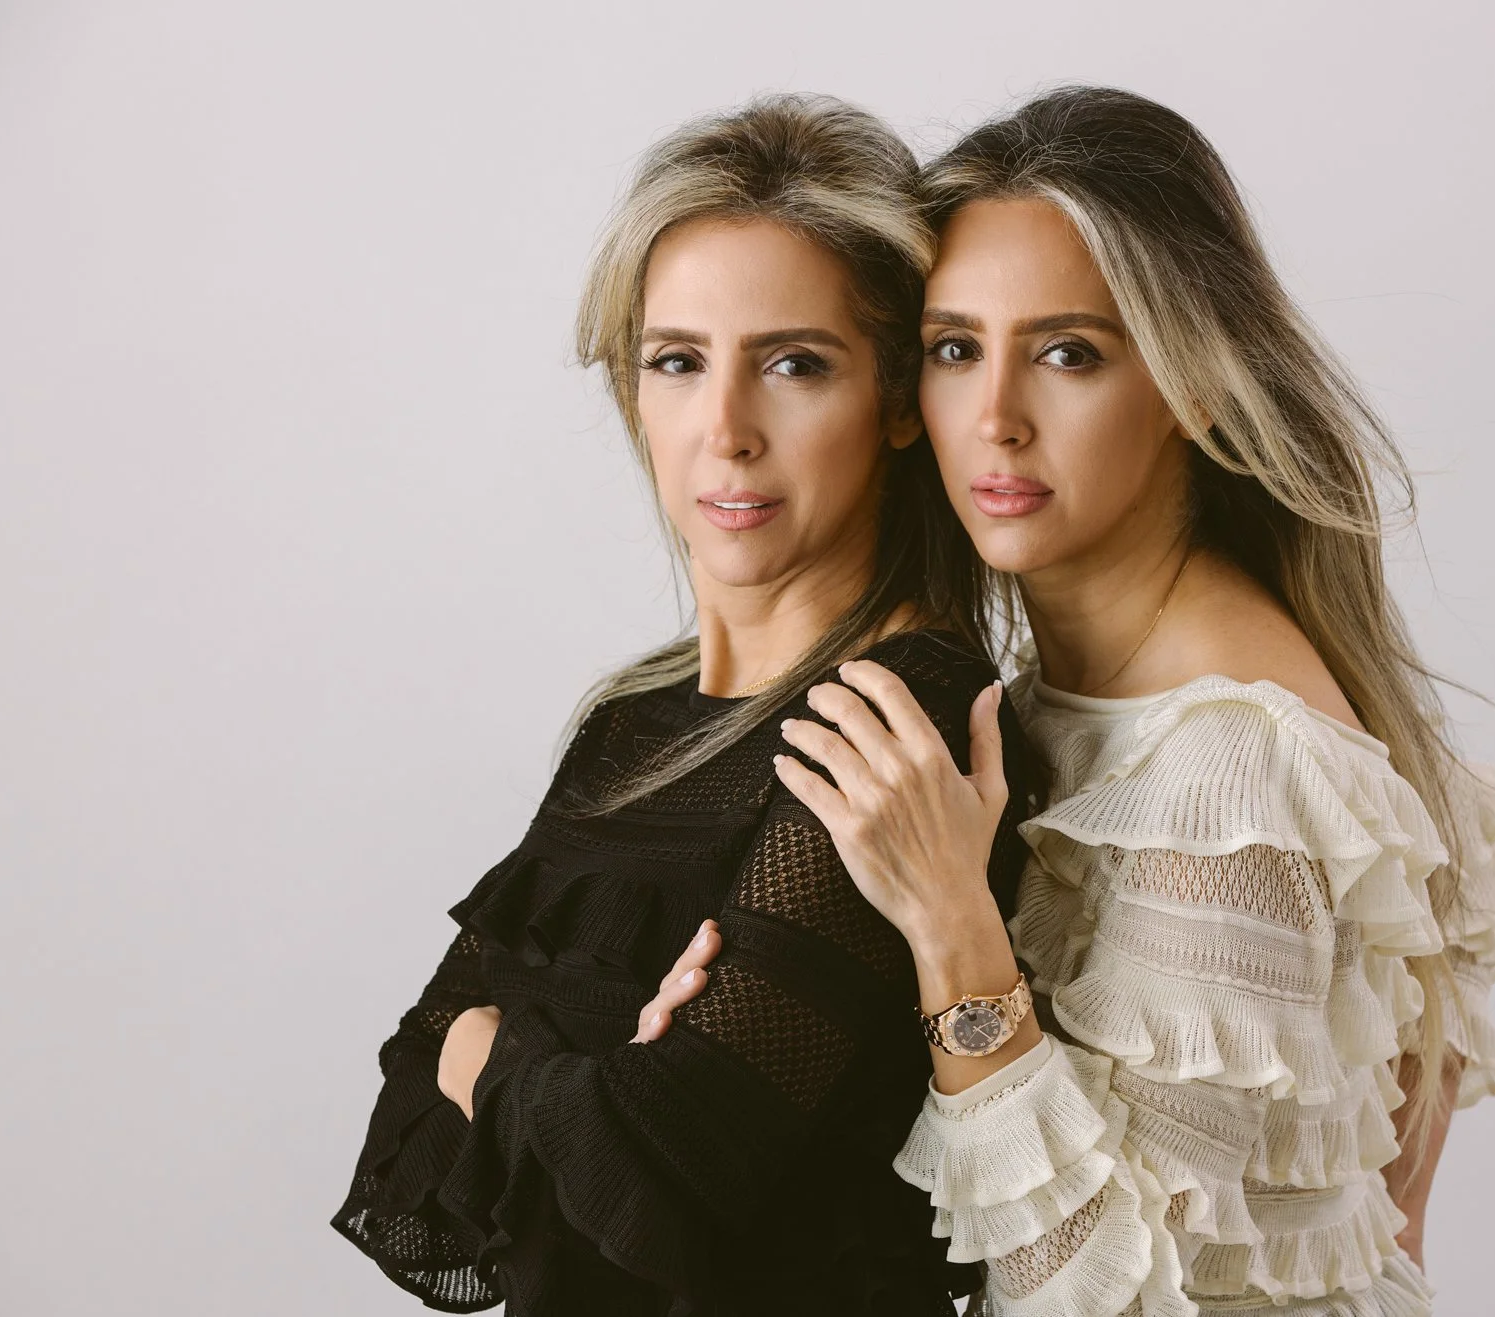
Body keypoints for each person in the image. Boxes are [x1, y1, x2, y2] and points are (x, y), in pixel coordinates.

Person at [646, 87, 1495, 1316]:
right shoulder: (1045, 705)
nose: (996, 418)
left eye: (1068, 352)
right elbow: (1385, 1228)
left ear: (1196, 382)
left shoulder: (1230, 773)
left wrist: (953, 933)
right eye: (956, 348)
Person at [331, 94, 1040, 1317]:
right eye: (677, 362)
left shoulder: (894, 711)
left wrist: (500, 1052)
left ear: (889, 403)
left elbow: (651, 1174)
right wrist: (578, 1078)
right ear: (634, 394)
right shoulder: (632, 724)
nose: (725, 431)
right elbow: (410, 1137)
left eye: (794, 365)